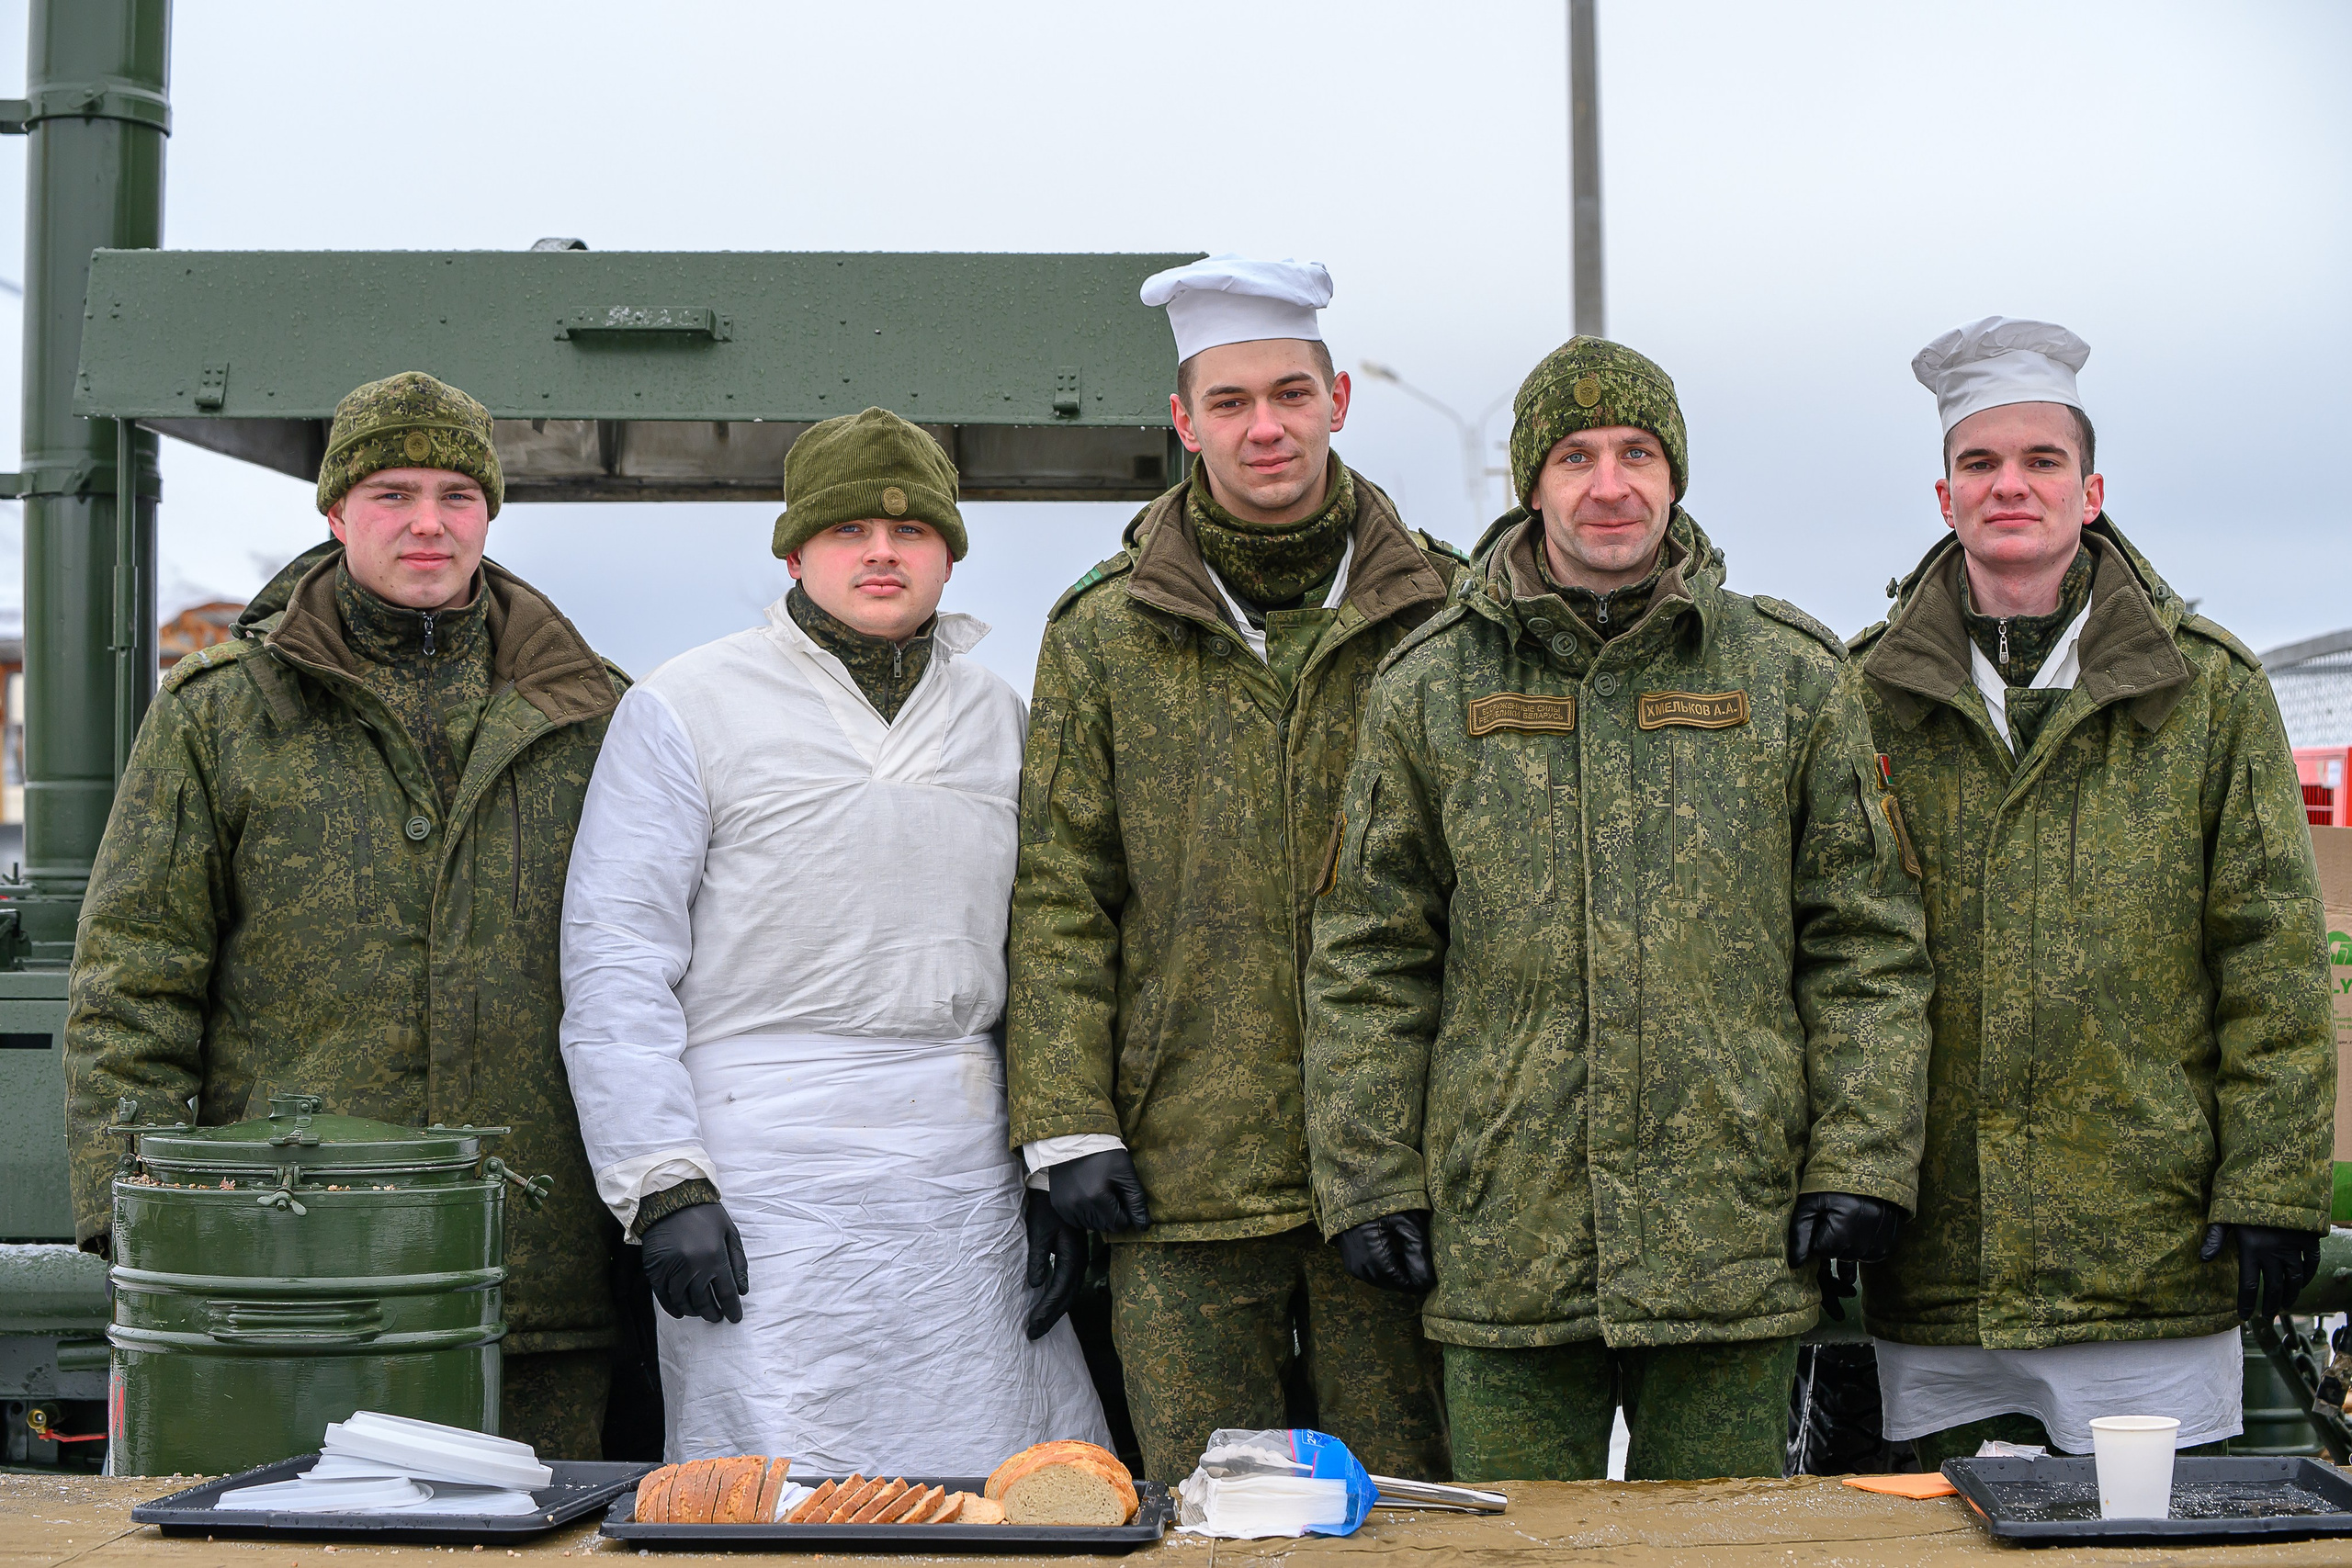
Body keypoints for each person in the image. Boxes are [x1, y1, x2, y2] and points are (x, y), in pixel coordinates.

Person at [1303, 337, 1935, 1483]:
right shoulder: (1430, 684)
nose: (1610, 485)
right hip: (1506, 1233)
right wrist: (1368, 1176)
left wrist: (1862, 1159)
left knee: (1719, 1553)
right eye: (1576, 456)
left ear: (1674, 474)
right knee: (1518, 1552)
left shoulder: (1787, 675)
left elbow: (1865, 945)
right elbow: (1369, 956)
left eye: (1637, 453)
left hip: (1729, 1232)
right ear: (1531, 483)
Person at [65, 372, 628, 1458]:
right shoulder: (223, 713)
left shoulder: (592, 711)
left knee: (544, 1526)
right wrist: (133, 1212)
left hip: (538, 1275)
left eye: (457, 495)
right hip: (291, 1274)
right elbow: (133, 977)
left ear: (489, 513)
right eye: (392, 494)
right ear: (335, 512)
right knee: (293, 1524)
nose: (428, 523)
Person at [560, 407, 1109, 1469]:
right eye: (849, 529)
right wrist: (663, 1185)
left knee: (997, 1486)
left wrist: (1050, 1160)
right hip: (759, 1173)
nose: (881, 553)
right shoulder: (688, 706)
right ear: (795, 552)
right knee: (776, 1494)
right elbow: (616, 958)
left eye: (911, 532)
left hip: (961, 1177)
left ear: (949, 555)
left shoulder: (998, 718)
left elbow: (1050, 946)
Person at [1851, 318, 2336, 1468]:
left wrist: (2271, 1184)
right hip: (1942, 1262)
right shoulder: (1863, 692)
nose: (2009, 486)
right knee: (1943, 1534)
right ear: (1944, 496)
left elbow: (2271, 958)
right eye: (1980, 463)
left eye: (2041, 460)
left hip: (2145, 1256)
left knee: (2142, 1536)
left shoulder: (2205, 690)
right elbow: (1836, 959)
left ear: (2091, 489)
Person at [1006, 256, 1460, 1484]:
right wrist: (1065, 1122)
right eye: (1231, 401)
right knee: (1210, 1506)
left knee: (1412, 1507)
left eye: (1291, 394)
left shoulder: (1445, 610)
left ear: (1338, 400)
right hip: (1182, 1167)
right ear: (1183, 420)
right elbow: (1061, 892)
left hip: (1404, 1163)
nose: (1266, 427)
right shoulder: (1105, 631)